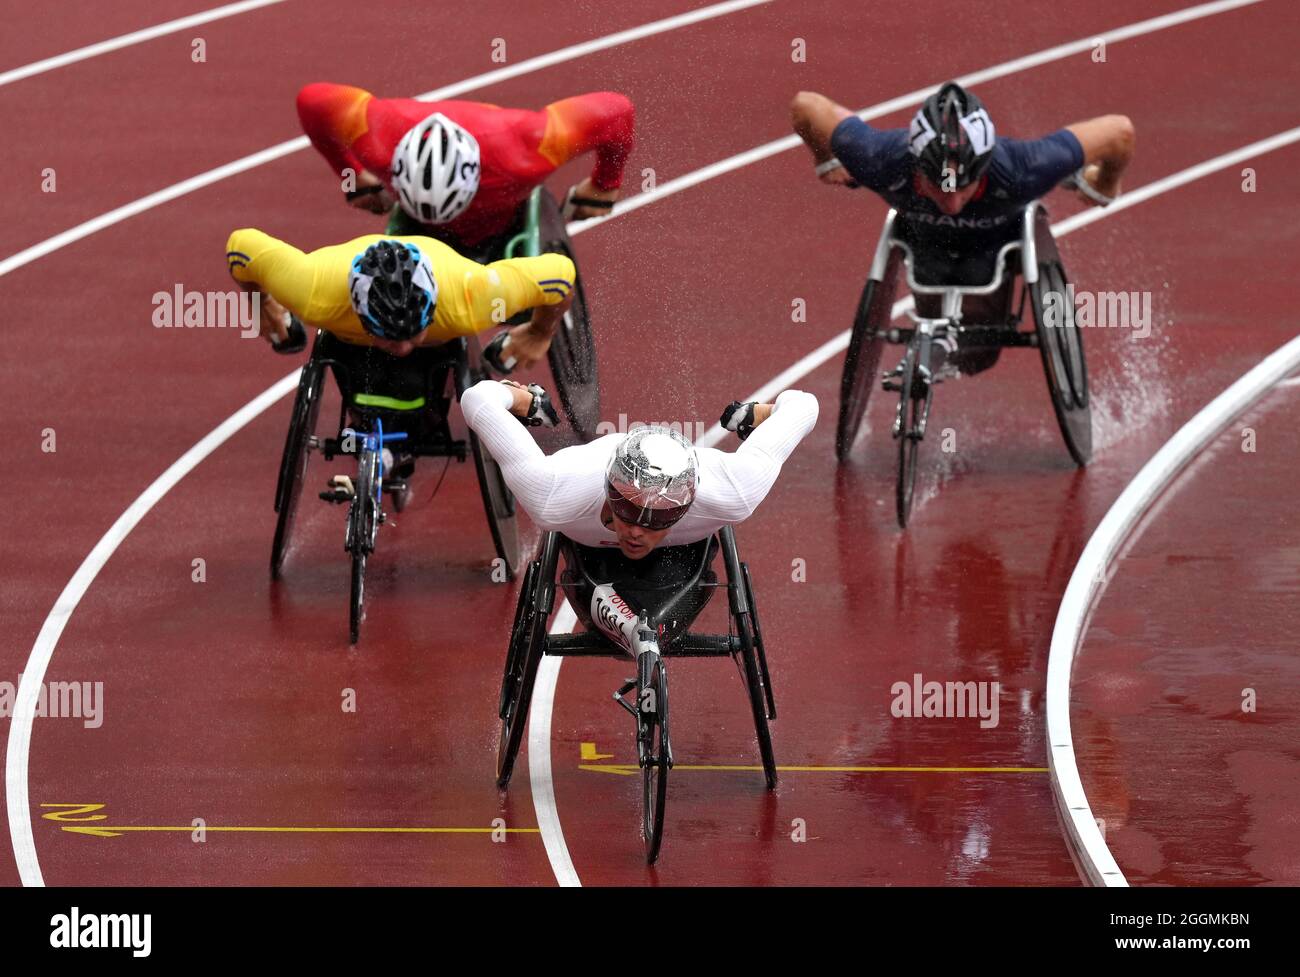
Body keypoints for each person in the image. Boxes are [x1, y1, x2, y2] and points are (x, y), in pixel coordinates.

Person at [791, 81, 1135, 376]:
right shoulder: (881, 159)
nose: (952, 203)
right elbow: (807, 106)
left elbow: (1120, 132)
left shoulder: (1023, 168)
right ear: (918, 169)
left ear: (983, 170)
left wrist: (1105, 184)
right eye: (939, 187)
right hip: (927, 248)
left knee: (977, 357)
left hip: (996, 250)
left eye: (964, 187)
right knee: (964, 353)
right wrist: (825, 159)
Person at [226, 231, 573, 503]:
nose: (404, 347)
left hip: (439, 340)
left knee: (418, 384)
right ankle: (380, 435)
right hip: (353, 342)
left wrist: (539, 333)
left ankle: (509, 395)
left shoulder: (474, 294)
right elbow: (240, 248)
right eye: (391, 338)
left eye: (411, 335)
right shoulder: (312, 290)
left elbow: (560, 274)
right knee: (369, 375)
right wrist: (264, 305)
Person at [460, 379, 818, 641]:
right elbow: (477, 400)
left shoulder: (734, 490)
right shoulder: (553, 495)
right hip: (588, 542)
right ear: (611, 493)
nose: (636, 531)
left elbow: (804, 406)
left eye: (658, 519)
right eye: (628, 512)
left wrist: (767, 414)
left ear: (684, 505)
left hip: (681, 547)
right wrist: (519, 399)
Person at [295, 83, 635, 258]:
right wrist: (353, 176)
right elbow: (311, 101)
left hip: (500, 227)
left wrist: (605, 183)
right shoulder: (378, 138)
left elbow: (617, 112)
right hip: (419, 234)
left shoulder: (526, 150)